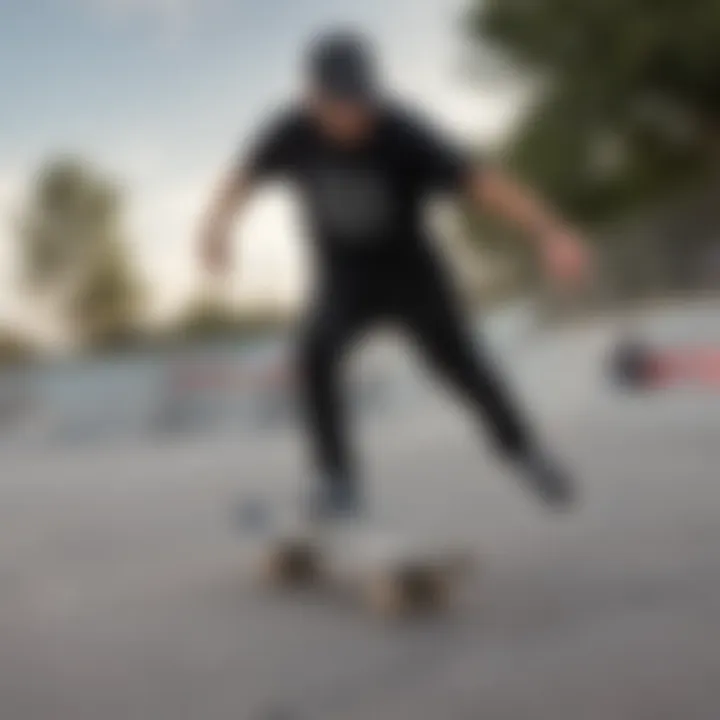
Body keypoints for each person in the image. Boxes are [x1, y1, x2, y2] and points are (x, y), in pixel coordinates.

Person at [198, 31, 591, 520]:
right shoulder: (289, 131)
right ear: (312, 96)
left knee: (465, 369)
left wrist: (549, 230)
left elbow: (482, 183)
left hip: (413, 277)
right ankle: (336, 478)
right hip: (344, 279)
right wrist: (216, 228)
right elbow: (242, 178)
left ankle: (526, 454)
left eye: (361, 102)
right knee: (315, 351)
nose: (354, 116)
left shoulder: (403, 129)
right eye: (340, 105)